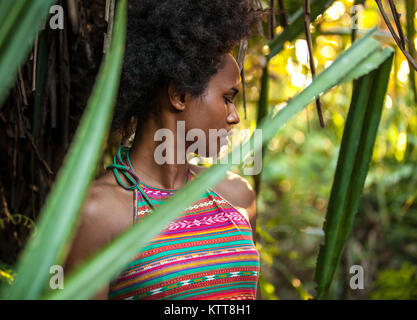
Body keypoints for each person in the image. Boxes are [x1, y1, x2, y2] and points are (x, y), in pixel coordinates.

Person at [65, 0, 263, 300]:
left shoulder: (236, 196)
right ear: (179, 95)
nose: (235, 116)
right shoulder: (99, 213)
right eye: (227, 97)